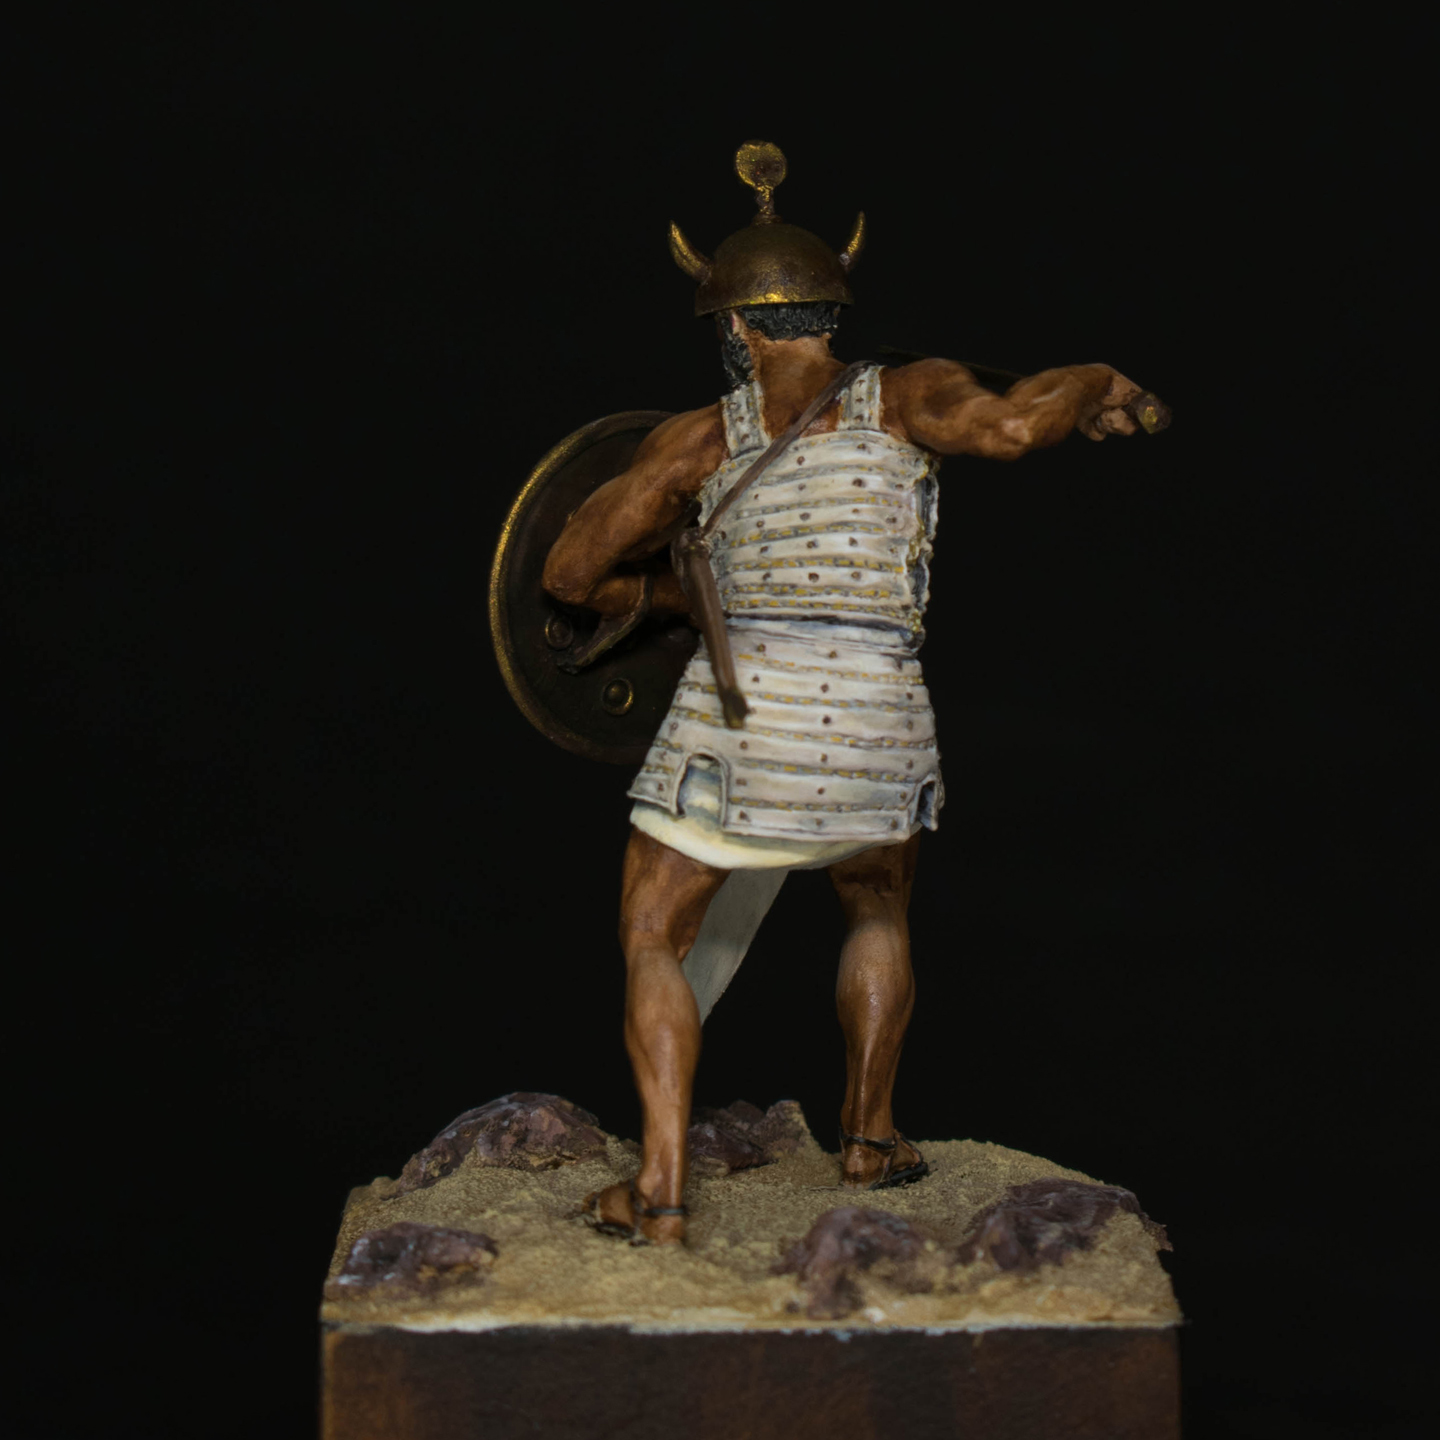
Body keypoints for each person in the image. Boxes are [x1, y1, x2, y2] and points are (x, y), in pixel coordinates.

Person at [542, 142, 1166, 1244]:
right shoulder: (909, 394)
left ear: (737, 330)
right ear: (831, 311)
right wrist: (1095, 379)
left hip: (745, 719)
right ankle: (870, 1137)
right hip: (880, 717)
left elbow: (568, 575)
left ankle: (663, 1191)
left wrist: (693, 596)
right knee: (875, 903)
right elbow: (1015, 425)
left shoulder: (698, 439)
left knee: (652, 932)